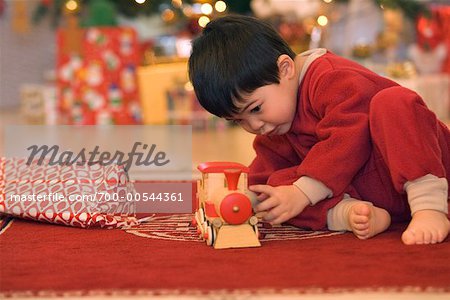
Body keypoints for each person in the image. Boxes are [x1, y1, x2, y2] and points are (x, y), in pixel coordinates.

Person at [188, 15, 450, 245]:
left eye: (255, 109)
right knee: (276, 190)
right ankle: (348, 213)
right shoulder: (276, 124)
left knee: (393, 102)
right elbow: (263, 175)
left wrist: (303, 192)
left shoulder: (329, 77)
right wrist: (240, 201)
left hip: (421, 168)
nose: (254, 125)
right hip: (376, 196)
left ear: (285, 69)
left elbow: (349, 135)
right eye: (239, 120)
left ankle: (430, 208)